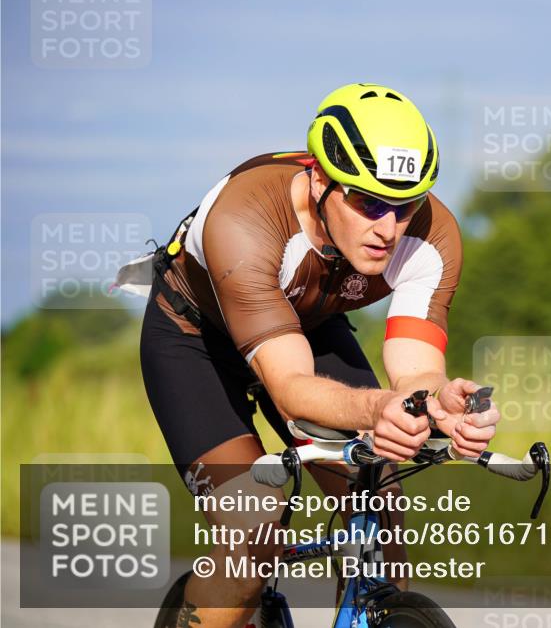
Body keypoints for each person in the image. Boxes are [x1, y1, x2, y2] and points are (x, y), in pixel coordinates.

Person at [139, 83, 499, 628]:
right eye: (369, 203)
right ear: (318, 179)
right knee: (256, 524)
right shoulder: (243, 218)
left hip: (310, 326)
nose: (388, 228)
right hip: (196, 340)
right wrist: (377, 410)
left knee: (378, 503)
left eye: (405, 206)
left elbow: (416, 367)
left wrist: (437, 404)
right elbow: (290, 388)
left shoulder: (431, 235)